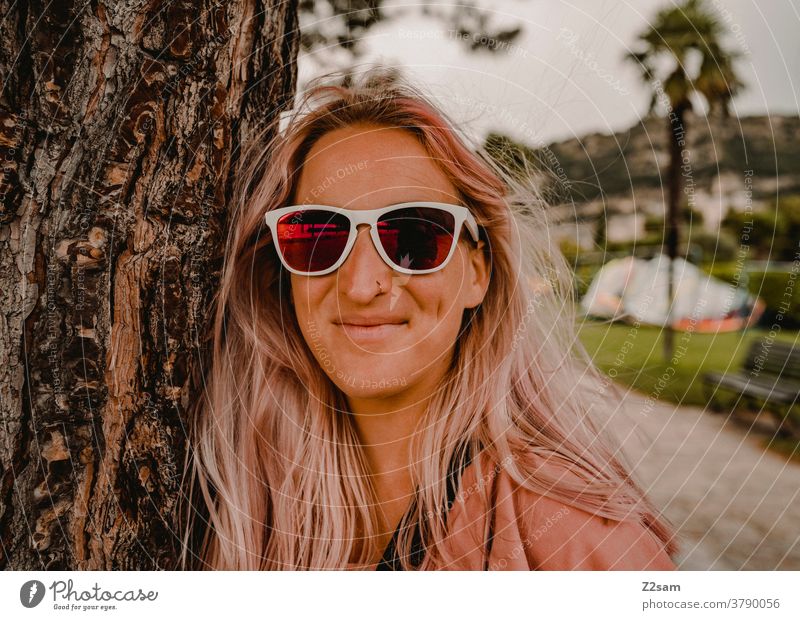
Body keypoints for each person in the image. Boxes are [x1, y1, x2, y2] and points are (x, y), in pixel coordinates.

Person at [179, 66, 679, 571]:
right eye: (318, 237)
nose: (361, 284)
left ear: (478, 271)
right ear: (282, 275)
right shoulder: (244, 502)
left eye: (414, 237)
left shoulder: (570, 535)